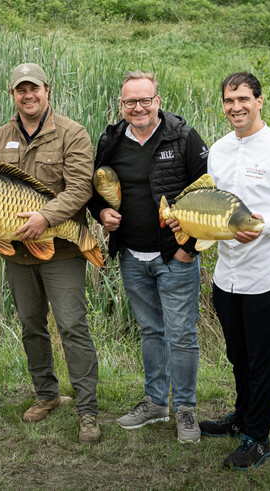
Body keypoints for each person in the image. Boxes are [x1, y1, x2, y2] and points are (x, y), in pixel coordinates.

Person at [166, 72, 270, 469]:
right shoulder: (220, 151)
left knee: (264, 359)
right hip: (227, 273)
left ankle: (258, 438)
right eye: (229, 100)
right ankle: (242, 418)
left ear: (260, 101)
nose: (236, 107)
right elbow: (210, 207)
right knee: (238, 354)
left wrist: (265, 226)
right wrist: (188, 224)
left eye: (244, 99)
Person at [87, 71, 209, 443]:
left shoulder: (183, 137)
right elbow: (93, 187)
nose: (138, 108)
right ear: (120, 104)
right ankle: (156, 402)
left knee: (182, 334)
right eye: (130, 102)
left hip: (174, 256)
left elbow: (208, 193)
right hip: (131, 256)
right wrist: (99, 213)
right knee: (151, 330)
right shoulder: (111, 140)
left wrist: (189, 250)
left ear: (158, 100)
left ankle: (185, 409)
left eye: (145, 100)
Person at [0, 62, 101, 444]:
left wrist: (45, 218)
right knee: (31, 325)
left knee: (71, 326)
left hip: (63, 249)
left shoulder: (72, 133)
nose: (28, 95)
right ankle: (46, 394)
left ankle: (87, 411)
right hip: (17, 254)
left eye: (34, 88)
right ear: (12, 94)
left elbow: (81, 187)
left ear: (47, 90)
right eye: (21, 90)